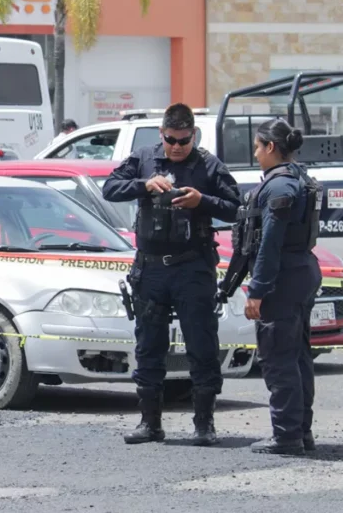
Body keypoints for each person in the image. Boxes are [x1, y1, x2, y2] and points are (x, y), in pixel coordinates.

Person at [102, 103, 241, 447]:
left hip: (192, 267)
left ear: (193, 135)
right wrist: (145, 185)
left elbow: (237, 207)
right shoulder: (144, 158)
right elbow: (110, 188)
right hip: (150, 268)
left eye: (183, 140)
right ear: (161, 134)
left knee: (201, 344)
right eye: (170, 139)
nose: (177, 146)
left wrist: (202, 201)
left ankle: (204, 425)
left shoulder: (208, 164)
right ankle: (150, 423)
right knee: (149, 345)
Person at [239, 118, 323, 456]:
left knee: (279, 358)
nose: (256, 153)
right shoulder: (297, 177)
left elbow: (270, 243)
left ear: (271, 147)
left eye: (258, 147)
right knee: (298, 356)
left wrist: (256, 290)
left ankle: (287, 435)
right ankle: (300, 431)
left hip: (284, 278)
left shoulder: (280, 187)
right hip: (300, 271)